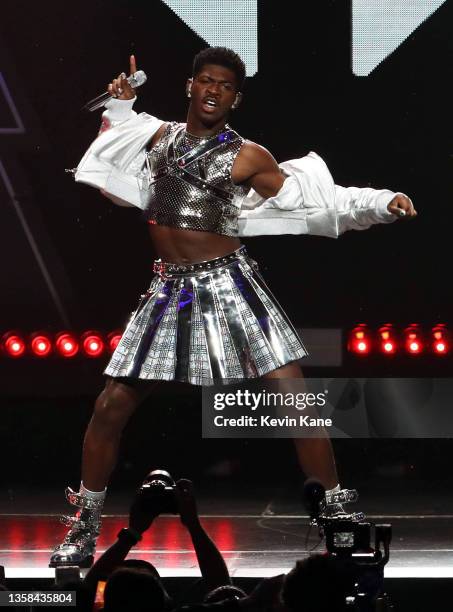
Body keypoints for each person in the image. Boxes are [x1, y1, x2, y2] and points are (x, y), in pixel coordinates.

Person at [50, 47, 416, 567]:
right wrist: (123, 107)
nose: (213, 90)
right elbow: (115, 150)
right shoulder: (159, 137)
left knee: (296, 403)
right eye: (205, 80)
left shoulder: (248, 156)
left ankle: (335, 516)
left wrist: (378, 202)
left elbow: (314, 201)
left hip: (230, 286)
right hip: (170, 289)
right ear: (190, 86)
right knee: (110, 406)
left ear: (235, 97)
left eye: (224, 84)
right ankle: (83, 529)